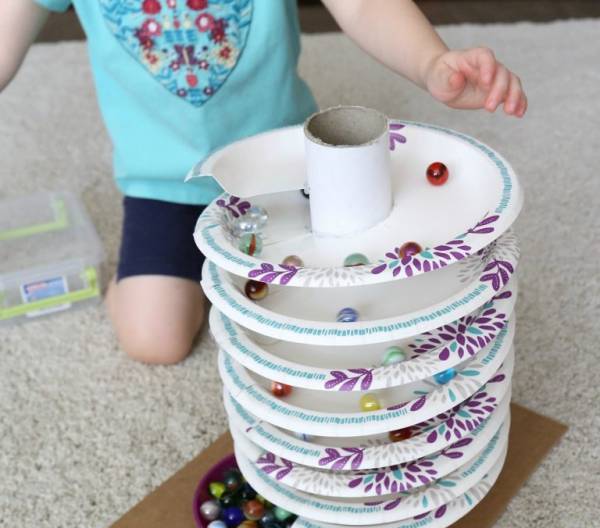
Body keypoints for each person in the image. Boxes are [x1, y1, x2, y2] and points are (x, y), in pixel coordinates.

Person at [0, 0, 526, 364]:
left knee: (335, 322)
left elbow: (364, 7)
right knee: (154, 340)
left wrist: (431, 61)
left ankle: (225, 266)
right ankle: (136, 278)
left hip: (280, 171)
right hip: (164, 185)